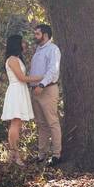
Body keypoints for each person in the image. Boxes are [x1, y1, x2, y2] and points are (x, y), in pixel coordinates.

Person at [0, 34, 43, 165]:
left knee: (17, 123)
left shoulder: (17, 59)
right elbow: (21, 78)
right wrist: (41, 77)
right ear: (16, 44)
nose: (24, 45)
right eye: (22, 42)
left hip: (20, 90)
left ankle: (13, 155)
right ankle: (15, 154)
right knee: (15, 122)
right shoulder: (12, 59)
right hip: (16, 91)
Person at [28, 24, 62, 165]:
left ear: (45, 35)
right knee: (41, 124)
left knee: (52, 122)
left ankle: (56, 155)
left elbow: (53, 71)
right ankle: (41, 155)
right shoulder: (38, 51)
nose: (35, 36)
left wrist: (42, 85)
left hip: (47, 89)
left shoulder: (53, 49)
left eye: (37, 34)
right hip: (35, 91)